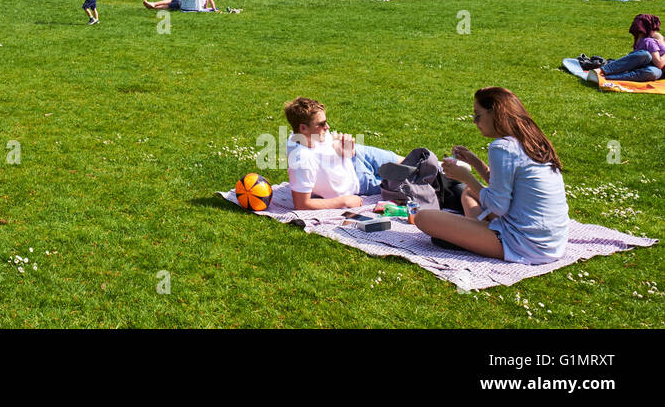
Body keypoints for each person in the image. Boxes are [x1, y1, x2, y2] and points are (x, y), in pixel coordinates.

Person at [413, 88, 568, 263]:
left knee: (423, 217)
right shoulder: (532, 141)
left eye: (477, 115)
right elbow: (505, 187)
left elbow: (498, 206)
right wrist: (476, 163)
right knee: (468, 193)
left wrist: (466, 178)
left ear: (495, 113)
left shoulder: (501, 147)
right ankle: (472, 234)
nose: (474, 121)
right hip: (552, 242)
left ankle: (470, 238)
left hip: (526, 244)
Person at [283, 97, 404, 210]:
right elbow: (302, 204)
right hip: (361, 182)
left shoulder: (303, 134)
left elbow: (329, 145)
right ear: (303, 128)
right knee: (412, 181)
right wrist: (344, 201)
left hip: (359, 154)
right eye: (322, 124)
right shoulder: (301, 160)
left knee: (412, 161)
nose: (327, 127)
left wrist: (344, 149)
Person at [575, 14, 665, 83]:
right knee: (645, 55)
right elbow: (659, 63)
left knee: (651, 72)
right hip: (653, 64)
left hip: (656, 70)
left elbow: (659, 65)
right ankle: (601, 71)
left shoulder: (647, 40)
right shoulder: (648, 41)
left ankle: (605, 77)